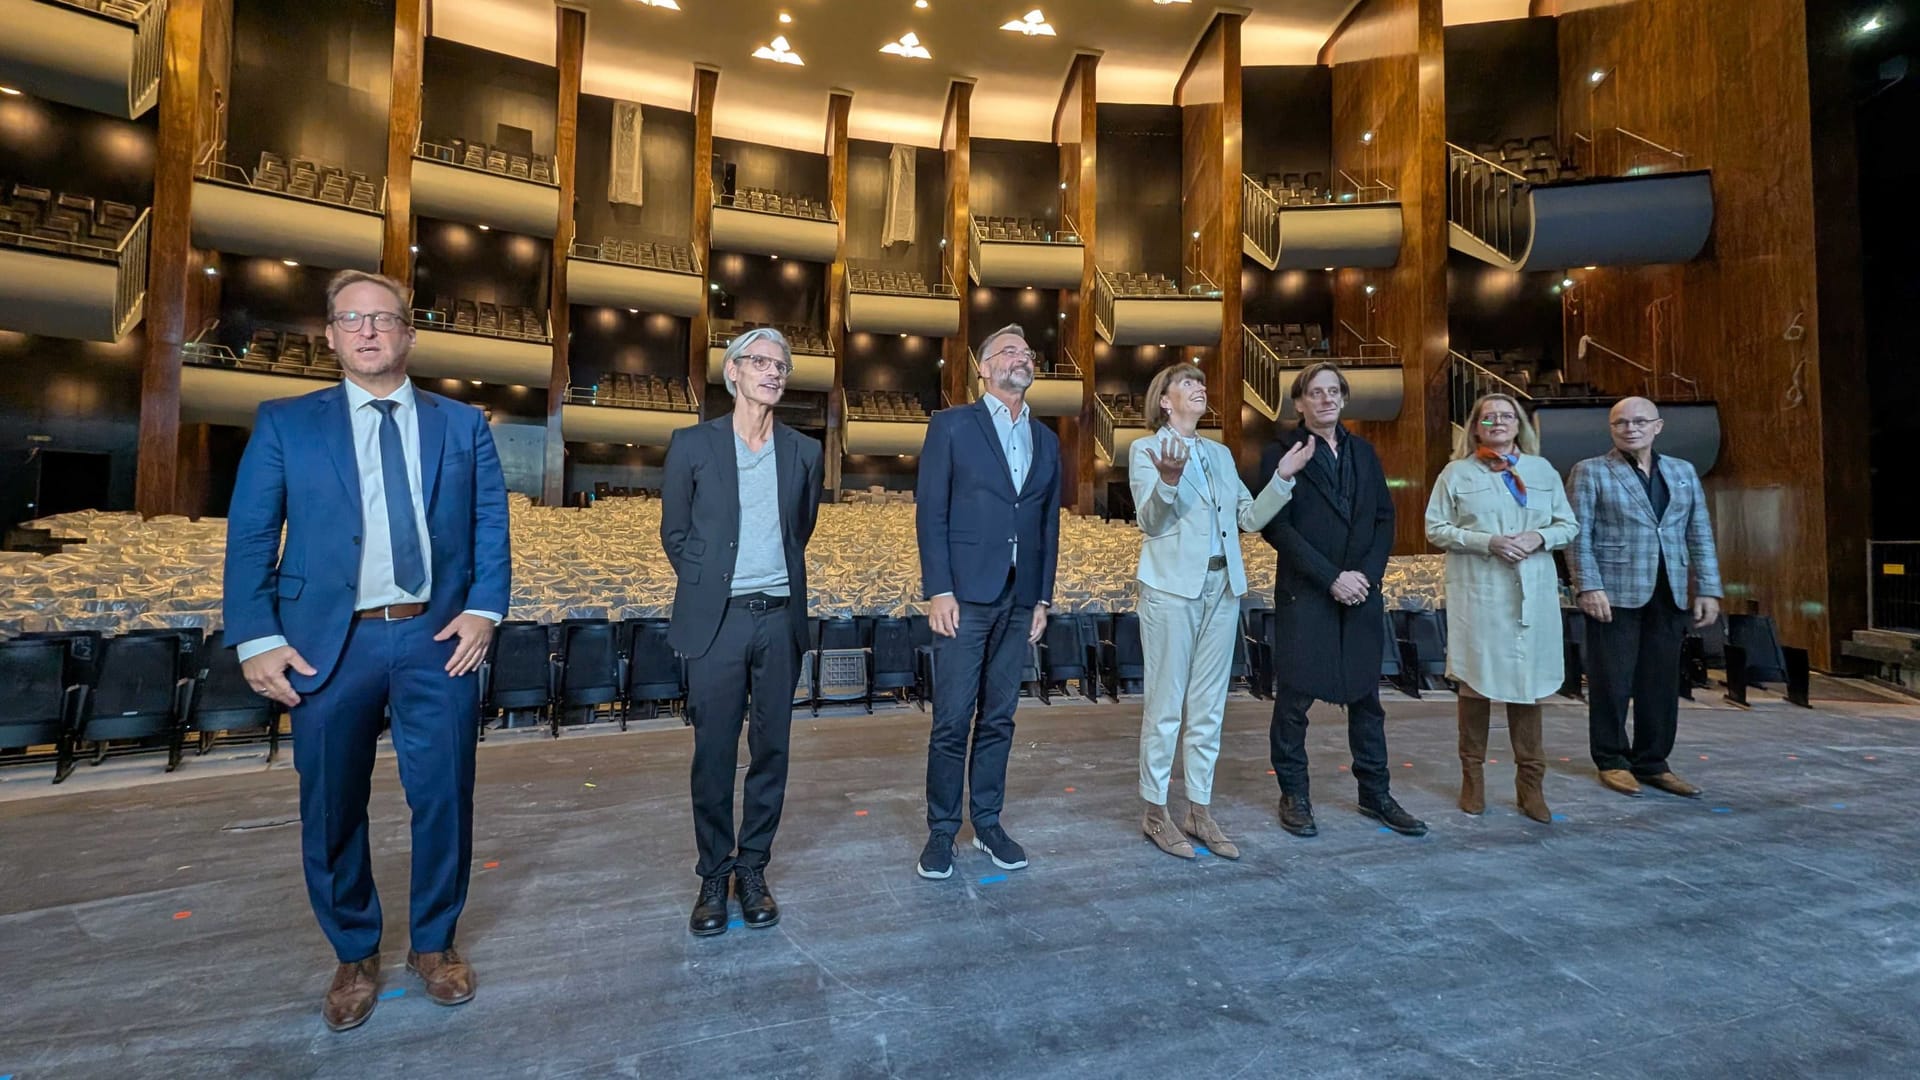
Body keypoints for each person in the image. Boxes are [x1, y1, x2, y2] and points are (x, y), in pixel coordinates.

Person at [224, 269, 510, 1032]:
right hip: (327, 642)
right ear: (331, 336)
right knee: (332, 803)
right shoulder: (286, 423)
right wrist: (256, 636)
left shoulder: (461, 425)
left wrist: (485, 610)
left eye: (384, 319)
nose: (370, 332)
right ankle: (354, 951)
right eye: (353, 320)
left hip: (434, 634)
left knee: (444, 794)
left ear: (408, 334)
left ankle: (434, 944)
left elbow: (489, 525)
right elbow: (252, 536)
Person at [661, 327, 823, 936]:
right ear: (733, 373)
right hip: (718, 622)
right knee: (714, 753)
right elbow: (675, 533)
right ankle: (713, 873)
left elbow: (797, 532)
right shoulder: (691, 445)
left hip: (778, 618)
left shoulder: (804, 454)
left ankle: (752, 867)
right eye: (760, 362)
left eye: (781, 365)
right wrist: (711, 588)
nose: (774, 372)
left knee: (772, 750)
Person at [1129, 362, 1312, 859]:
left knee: (1208, 707)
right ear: (1165, 401)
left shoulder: (1221, 454)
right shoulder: (1145, 450)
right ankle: (1154, 810)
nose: (1199, 387)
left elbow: (1248, 518)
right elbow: (1150, 520)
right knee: (1166, 706)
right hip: (1171, 589)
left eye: (1201, 382)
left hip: (1222, 586)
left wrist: (1282, 479)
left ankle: (1198, 808)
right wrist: (1168, 481)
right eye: (1186, 383)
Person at [914, 323, 1061, 880]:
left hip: (1021, 598)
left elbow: (1048, 526)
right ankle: (942, 831)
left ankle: (989, 822)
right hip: (964, 597)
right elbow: (931, 511)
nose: (1020, 357)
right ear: (983, 367)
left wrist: (1043, 598)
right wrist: (939, 589)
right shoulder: (951, 426)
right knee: (952, 719)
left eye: (1026, 351)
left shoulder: (1046, 439)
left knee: (999, 718)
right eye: (1008, 351)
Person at [1259, 362, 1427, 837]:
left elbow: (1382, 520)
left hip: (1360, 593)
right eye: (1316, 392)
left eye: (1334, 391)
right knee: (1293, 701)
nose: (1326, 399)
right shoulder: (1279, 452)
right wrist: (1332, 577)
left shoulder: (1366, 453)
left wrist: (1365, 578)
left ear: (1343, 399)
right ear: (1299, 402)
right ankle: (1294, 794)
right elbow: (1277, 528)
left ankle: (1375, 793)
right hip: (1308, 591)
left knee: (1367, 701)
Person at [1424, 394, 1579, 823]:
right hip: (1480, 590)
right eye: (1487, 417)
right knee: (1476, 681)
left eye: (1506, 416)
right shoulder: (1456, 473)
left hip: (1533, 589)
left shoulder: (1542, 471)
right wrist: (1487, 542)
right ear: (1475, 427)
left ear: (1518, 425)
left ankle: (1531, 785)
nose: (1497, 422)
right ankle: (1472, 778)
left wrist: (1538, 538)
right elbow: (1435, 528)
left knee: (1527, 683)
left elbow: (1568, 524)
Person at [1569, 396, 1721, 798]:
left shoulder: (1683, 472)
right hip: (1613, 593)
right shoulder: (1591, 472)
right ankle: (1613, 759)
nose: (1630, 428)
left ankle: (1653, 762)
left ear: (1658, 426)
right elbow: (1578, 535)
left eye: (1639, 421)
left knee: (1660, 682)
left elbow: (1699, 534)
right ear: (1611, 429)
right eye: (1620, 423)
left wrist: (1707, 587)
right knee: (1611, 682)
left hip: (1669, 592)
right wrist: (1587, 585)